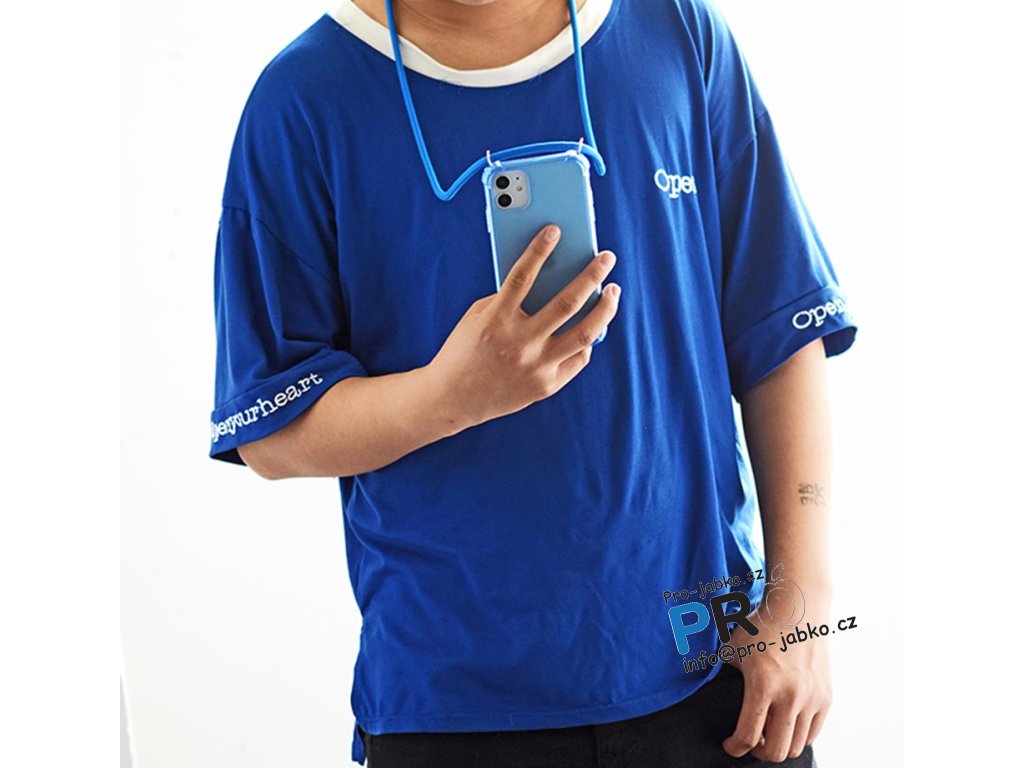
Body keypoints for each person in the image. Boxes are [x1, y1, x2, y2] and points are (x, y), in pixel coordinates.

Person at [207, 0, 857, 765]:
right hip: (454, 708)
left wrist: (801, 606)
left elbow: (780, 332)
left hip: (716, 678)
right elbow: (274, 430)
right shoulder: (305, 97)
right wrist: (449, 397)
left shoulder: (676, 31)